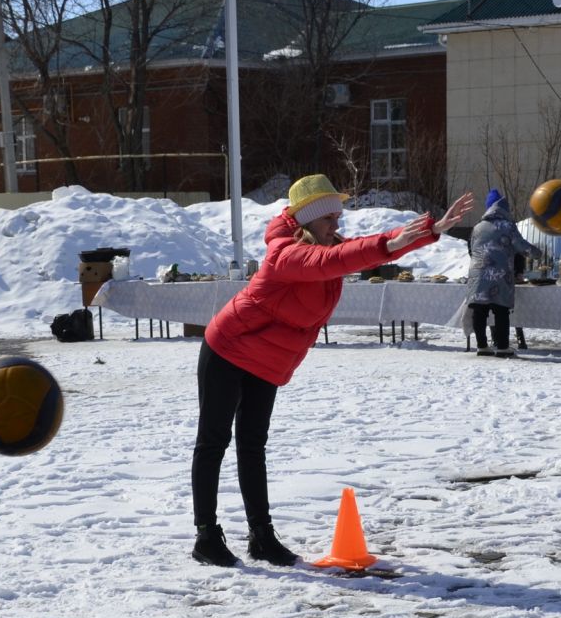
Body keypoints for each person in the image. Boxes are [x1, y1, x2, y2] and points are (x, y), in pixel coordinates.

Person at [190, 176, 473, 567]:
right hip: (228, 348)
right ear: (308, 220)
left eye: (338, 217)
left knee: (252, 446)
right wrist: (392, 241)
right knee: (213, 442)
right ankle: (206, 536)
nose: (337, 226)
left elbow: (360, 253)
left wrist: (428, 232)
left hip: (266, 359)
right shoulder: (285, 256)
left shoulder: (325, 246)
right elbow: (336, 260)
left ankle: (262, 537)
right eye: (329, 218)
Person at [463, 189, 542, 357]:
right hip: (499, 276)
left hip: (478, 275)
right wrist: (538, 253)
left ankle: (482, 346)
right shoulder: (507, 226)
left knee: (480, 310)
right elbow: (522, 247)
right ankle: (502, 347)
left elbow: (471, 250)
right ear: (504, 208)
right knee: (500, 310)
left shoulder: (477, 227)